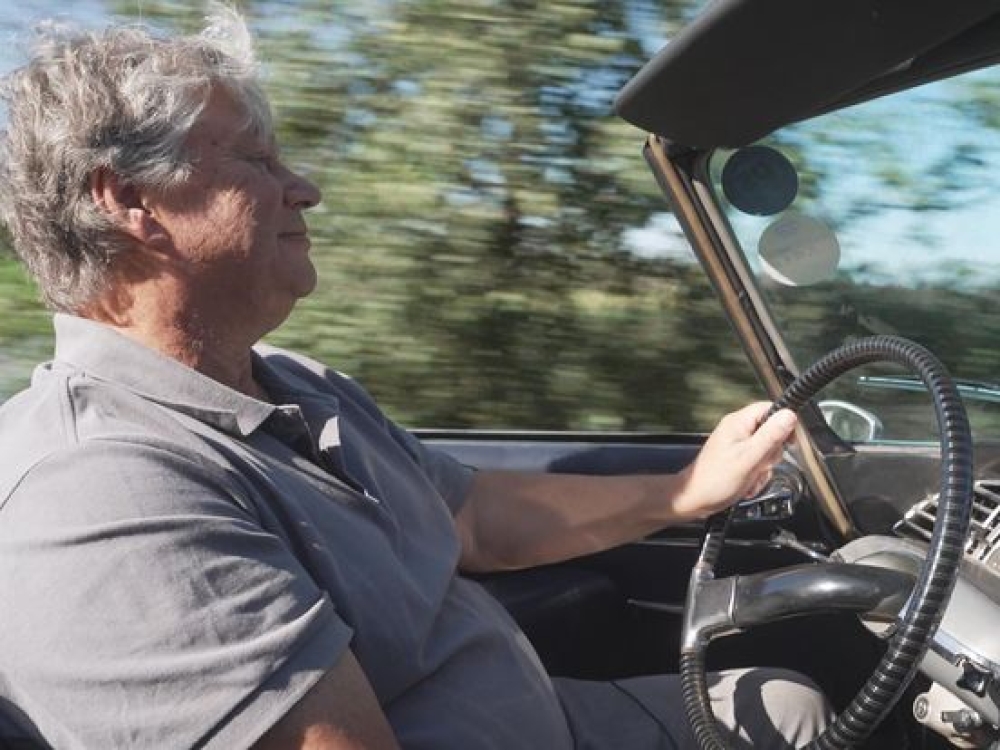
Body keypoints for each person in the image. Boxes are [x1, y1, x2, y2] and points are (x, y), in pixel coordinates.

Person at [0, 7, 830, 749]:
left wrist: (686, 491)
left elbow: (472, 520)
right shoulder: (103, 493)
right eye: (257, 159)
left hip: (558, 718)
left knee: (787, 703)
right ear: (132, 202)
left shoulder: (298, 387)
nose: (306, 190)